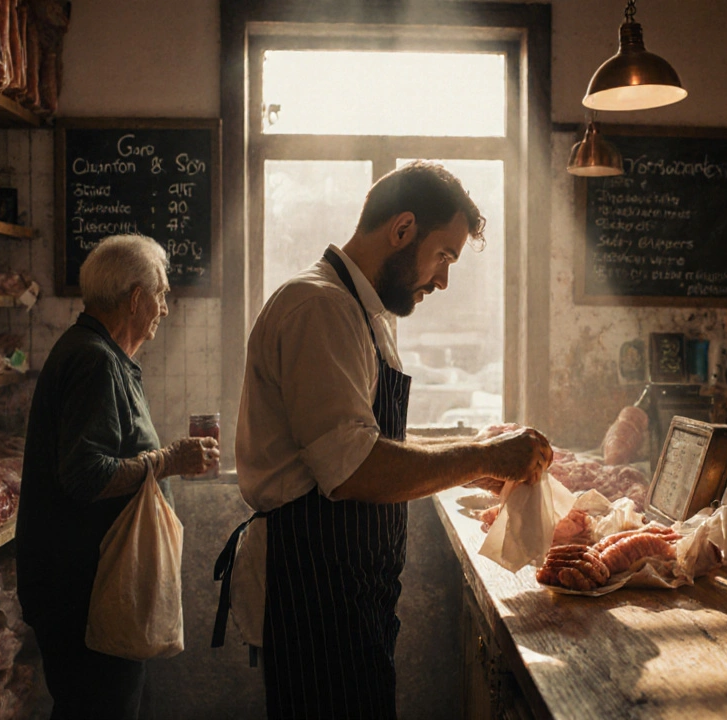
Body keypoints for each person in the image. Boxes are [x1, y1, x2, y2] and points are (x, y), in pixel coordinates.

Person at [214, 161, 553, 719]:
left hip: (350, 586)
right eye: (443, 255)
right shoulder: (319, 306)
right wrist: (482, 455)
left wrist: (468, 465)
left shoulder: (361, 311)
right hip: (314, 587)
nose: (443, 280)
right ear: (402, 230)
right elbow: (352, 470)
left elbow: (367, 437)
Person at [17, 234, 221, 719]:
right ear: (136, 298)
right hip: (84, 594)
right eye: (163, 295)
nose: (165, 309)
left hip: (93, 589)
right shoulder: (93, 360)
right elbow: (87, 475)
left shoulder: (100, 354)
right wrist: (169, 459)